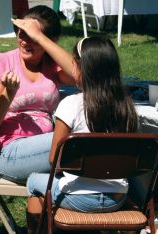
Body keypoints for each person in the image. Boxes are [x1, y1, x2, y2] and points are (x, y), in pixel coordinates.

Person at [23, 36, 138, 233]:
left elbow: (54, 159)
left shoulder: (71, 104)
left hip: (78, 197)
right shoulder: (127, 106)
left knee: (33, 181)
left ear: (79, 67)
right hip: (117, 197)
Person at [0, 5, 75, 184]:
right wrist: (9, 93)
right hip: (5, 152)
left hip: (45, 150)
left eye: (32, 37)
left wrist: (40, 37)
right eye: (21, 32)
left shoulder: (51, 66)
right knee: (77, 142)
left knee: (70, 176)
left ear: (49, 40)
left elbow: (80, 75)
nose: (24, 40)